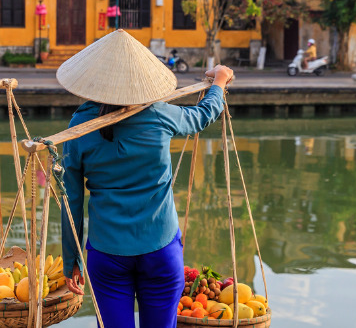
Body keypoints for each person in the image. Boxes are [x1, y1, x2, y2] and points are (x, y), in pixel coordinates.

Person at [58, 29, 232, 328]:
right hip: (160, 249)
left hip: (107, 252)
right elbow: (203, 114)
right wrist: (219, 81)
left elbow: (70, 199)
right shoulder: (160, 115)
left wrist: (71, 258)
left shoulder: (79, 128)